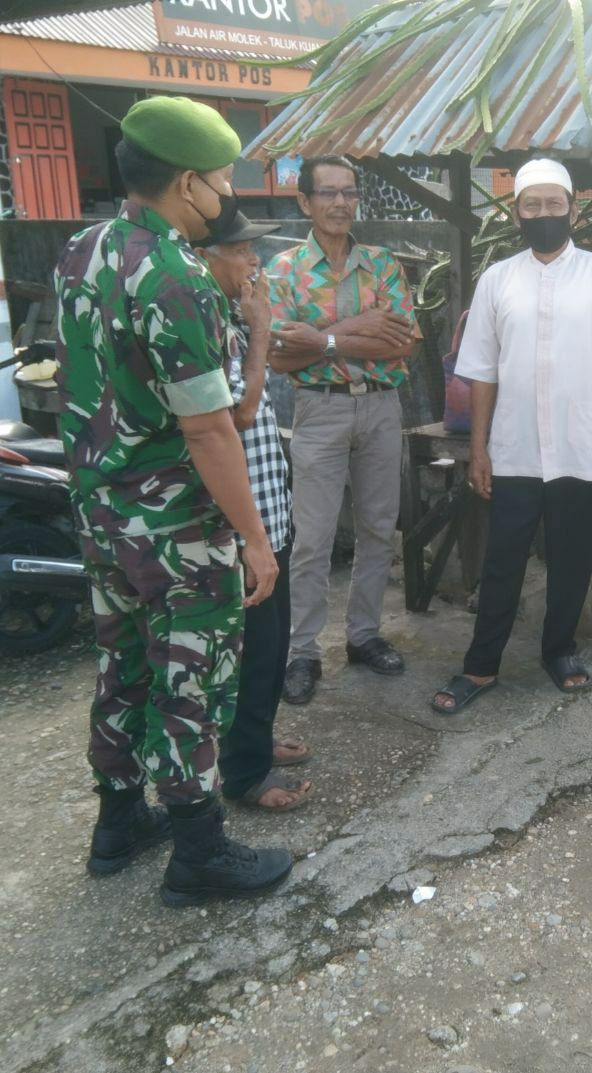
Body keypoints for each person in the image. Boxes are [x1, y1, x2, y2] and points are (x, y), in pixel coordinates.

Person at [53, 96, 291, 906]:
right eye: (222, 180)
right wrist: (254, 537)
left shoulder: (81, 250)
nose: (226, 194)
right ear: (188, 183)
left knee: (121, 664)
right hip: (175, 525)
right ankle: (199, 851)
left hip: (101, 514)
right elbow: (210, 428)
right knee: (190, 676)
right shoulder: (177, 275)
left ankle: (117, 823)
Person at [431, 159, 592, 714]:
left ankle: (559, 651)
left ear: (572, 209)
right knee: (502, 560)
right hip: (514, 450)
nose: (544, 214)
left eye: (554, 204)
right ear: (516, 213)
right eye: (533, 205)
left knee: (572, 559)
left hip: (582, 447)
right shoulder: (498, 280)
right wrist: (478, 448)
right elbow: (481, 372)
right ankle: (481, 665)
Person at [265, 155, 421, 705]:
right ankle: (302, 652)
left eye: (349, 193)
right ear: (305, 201)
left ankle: (363, 635)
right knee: (312, 538)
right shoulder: (282, 271)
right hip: (319, 409)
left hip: (381, 407)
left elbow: (402, 343)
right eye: (328, 193)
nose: (340, 203)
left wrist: (321, 339)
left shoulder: (382, 264)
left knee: (378, 528)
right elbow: (280, 357)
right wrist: (357, 328)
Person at [196, 213, 314, 812]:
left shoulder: (231, 320)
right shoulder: (207, 324)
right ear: (205, 258)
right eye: (240, 252)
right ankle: (244, 774)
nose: (253, 263)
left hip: (269, 509)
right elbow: (237, 415)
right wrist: (263, 329)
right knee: (254, 649)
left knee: (272, 643)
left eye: (253, 251)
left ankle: (256, 743)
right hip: (242, 524)